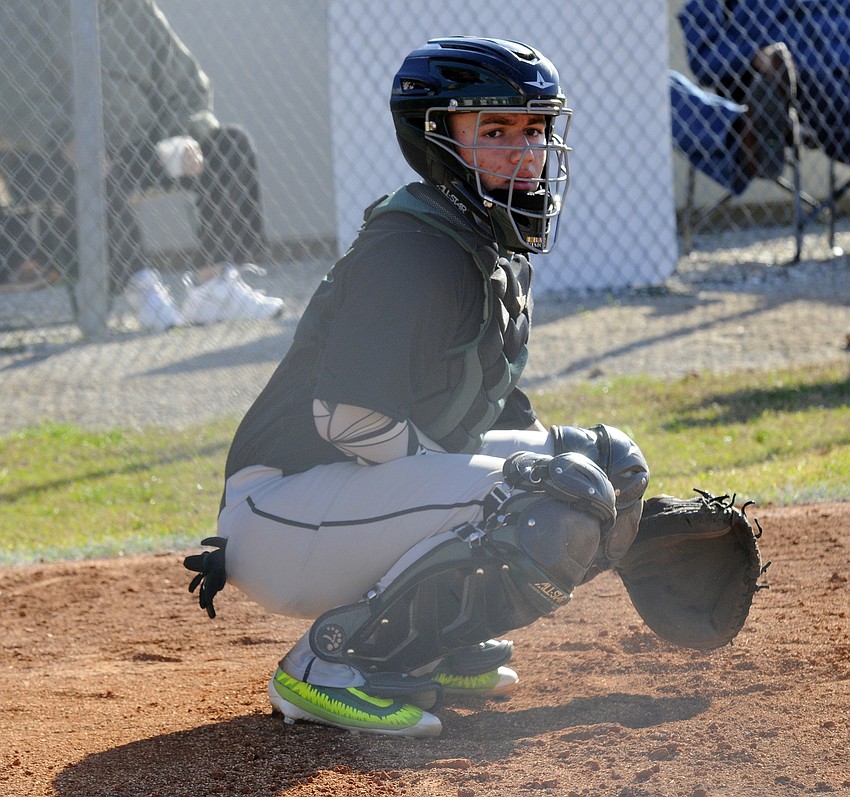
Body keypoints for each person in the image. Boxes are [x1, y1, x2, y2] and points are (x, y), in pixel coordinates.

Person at [184, 36, 650, 738]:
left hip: (351, 496)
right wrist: (514, 494)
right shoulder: (412, 250)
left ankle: (429, 638)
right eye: (495, 131)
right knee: (542, 495)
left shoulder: (488, 246)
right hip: (284, 509)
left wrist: (627, 520)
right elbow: (350, 418)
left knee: (604, 467)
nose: (524, 151)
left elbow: (495, 413)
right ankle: (328, 665)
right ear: (437, 141)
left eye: (534, 129)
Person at [0, 0, 283, 331]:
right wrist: (66, 138)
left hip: (139, 147)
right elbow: (16, 94)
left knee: (229, 144)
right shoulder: (21, 8)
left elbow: (187, 84)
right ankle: (142, 287)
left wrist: (182, 136)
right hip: (48, 154)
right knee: (88, 171)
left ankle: (215, 286)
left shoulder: (137, 8)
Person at [678, 0, 850, 166]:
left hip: (838, 74)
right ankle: (763, 132)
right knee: (804, 74)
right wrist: (754, 56)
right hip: (776, 84)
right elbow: (703, 57)